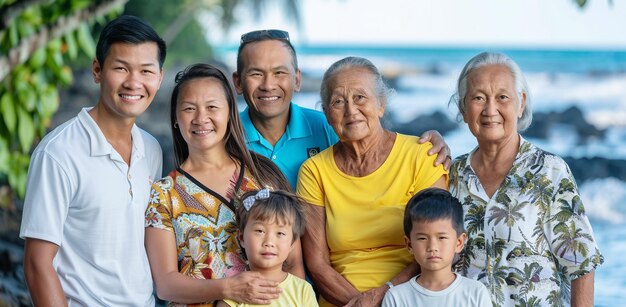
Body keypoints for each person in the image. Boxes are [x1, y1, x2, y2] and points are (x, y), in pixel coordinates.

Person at [19, 15, 166, 306]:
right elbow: (37, 265)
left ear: (160, 78)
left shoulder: (152, 150)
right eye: (121, 68)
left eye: (146, 71)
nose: (134, 82)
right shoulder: (58, 153)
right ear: (97, 71)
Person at [449, 52, 604, 306]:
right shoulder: (451, 175)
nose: (490, 109)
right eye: (478, 98)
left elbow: (581, 264)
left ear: (520, 104)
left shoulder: (550, 171)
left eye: (502, 97)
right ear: (463, 109)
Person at [144, 63, 304, 306]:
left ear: (229, 113)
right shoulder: (164, 194)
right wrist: (229, 288)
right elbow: (166, 284)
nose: (201, 118)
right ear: (176, 118)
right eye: (189, 109)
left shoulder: (263, 176)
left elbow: (292, 263)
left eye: (212, 107)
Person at [297, 56, 448, 307]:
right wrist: (359, 304)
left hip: (414, 297)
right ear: (326, 114)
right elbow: (317, 264)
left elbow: (438, 248)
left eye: (360, 97)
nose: (350, 110)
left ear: (381, 104)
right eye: (337, 101)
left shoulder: (421, 156)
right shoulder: (314, 171)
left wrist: (384, 298)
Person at [233, 29, 451, 189]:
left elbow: (375, 160)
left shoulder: (327, 125)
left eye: (279, 73)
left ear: (297, 80)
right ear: (238, 83)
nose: (268, 85)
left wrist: (427, 145)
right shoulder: (228, 135)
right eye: (256, 74)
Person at [381, 188, 491, 307]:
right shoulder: (396, 297)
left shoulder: (475, 293)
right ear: (409, 244)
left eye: (442, 238)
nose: (432, 247)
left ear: (459, 242)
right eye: (422, 238)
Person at [217, 189, 318, 307]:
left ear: (292, 244)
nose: (269, 242)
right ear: (241, 238)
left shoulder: (302, 290)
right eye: (259, 231)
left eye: (280, 233)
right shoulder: (235, 291)